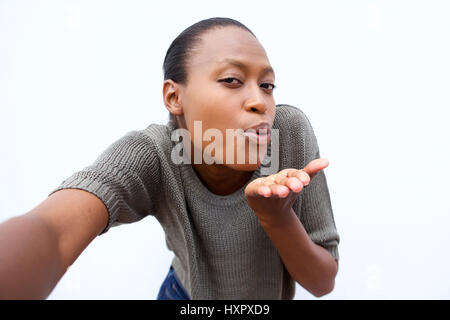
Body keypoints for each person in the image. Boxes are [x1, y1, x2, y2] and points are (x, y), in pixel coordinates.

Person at [0, 17, 339, 300]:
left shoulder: (289, 134)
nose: (260, 101)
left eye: (267, 85)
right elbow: (54, 233)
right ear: (174, 97)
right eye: (232, 80)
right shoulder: (152, 154)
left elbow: (322, 282)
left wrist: (277, 218)